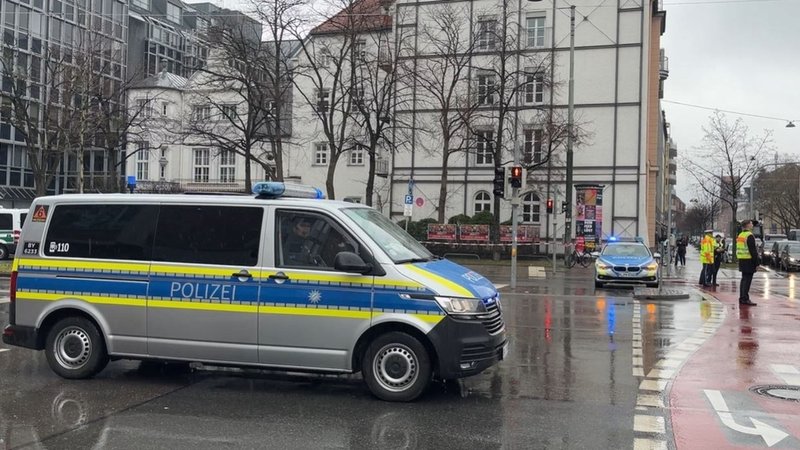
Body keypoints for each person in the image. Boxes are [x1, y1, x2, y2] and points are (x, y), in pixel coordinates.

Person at [736, 220, 760, 306]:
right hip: (748, 260)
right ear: (747, 225)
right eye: (751, 223)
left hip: (742, 259)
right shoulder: (749, 235)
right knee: (747, 280)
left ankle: (742, 297)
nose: (752, 224)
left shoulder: (740, 235)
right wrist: (757, 263)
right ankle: (745, 298)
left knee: (743, 280)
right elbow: (753, 251)